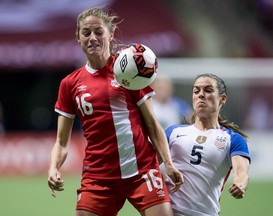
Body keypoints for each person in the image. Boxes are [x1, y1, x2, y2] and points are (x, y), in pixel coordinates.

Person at [47, 6, 183, 216]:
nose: (92, 38)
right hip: (99, 177)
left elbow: (152, 125)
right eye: (86, 33)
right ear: (78, 37)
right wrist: (54, 167)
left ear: (110, 34)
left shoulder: (129, 70)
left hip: (142, 171)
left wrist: (168, 163)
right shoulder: (69, 84)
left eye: (98, 32)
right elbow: (62, 142)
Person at [163, 73, 250, 216]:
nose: (200, 95)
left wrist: (240, 184)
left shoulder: (233, 139)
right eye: (196, 91)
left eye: (208, 90)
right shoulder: (173, 132)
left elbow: (242, 173)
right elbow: (148, 164)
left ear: (223, 99)